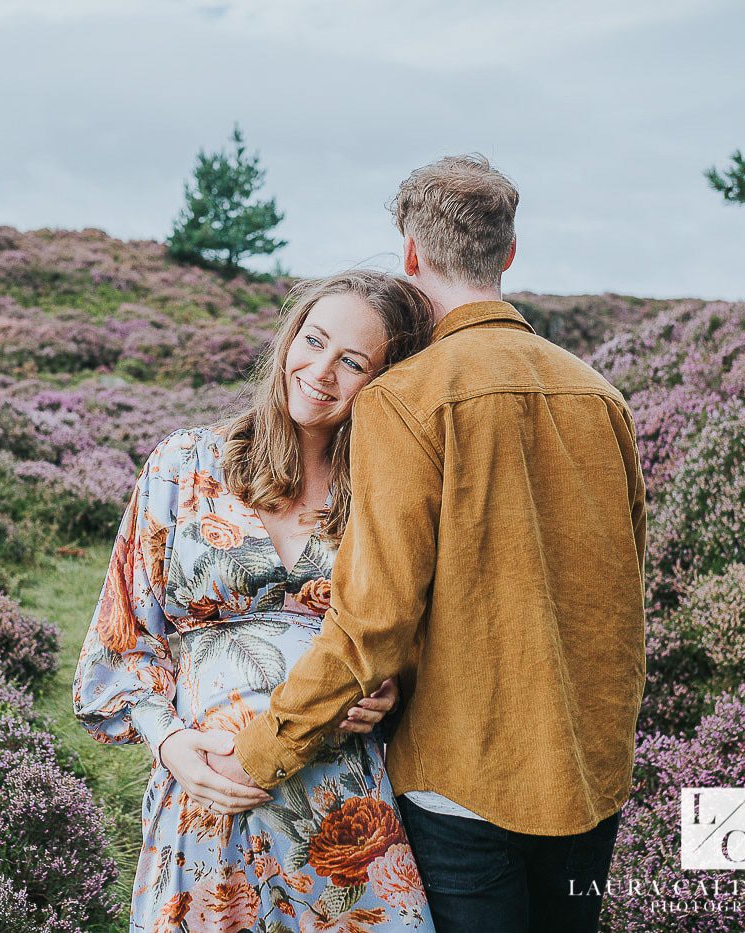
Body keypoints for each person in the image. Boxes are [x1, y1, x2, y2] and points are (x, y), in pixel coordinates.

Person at [220, 155, 649, 933]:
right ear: (508, 256)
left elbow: (371, 622)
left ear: (411, 256)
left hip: (462, 776)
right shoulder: (600, 395)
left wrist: (258, 754)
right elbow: (626, 584)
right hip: (590, 772)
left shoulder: (403, 400)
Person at [74, 270, 440, 932]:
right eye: (314, 340)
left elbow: (423, 636)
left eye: (352, 361)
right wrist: (172, 744)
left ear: (384, 382)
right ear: (288, 338)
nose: (321, 371)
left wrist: (394, 683)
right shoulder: (184, 465)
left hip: (342, 814)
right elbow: (121, 639)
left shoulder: (386, 500)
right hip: (209, 800)